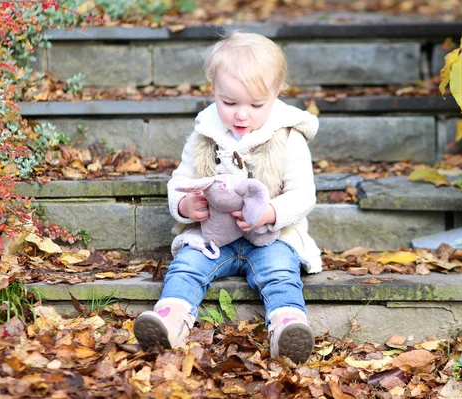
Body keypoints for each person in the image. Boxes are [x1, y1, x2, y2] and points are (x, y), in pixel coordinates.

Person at [134, 31, 322, 364]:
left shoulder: (288, 136)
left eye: (255, 105)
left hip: (269, 239)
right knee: (186, 266)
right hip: (212, 239)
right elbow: (181, 180)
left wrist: (269, 213)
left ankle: (287, 327)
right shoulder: (205, 133)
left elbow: (303, 194)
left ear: (277, 93)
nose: (241, 115)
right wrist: (184, 205)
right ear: (213, 91)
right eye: (230, 102)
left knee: (280, 271)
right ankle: (170, 320)